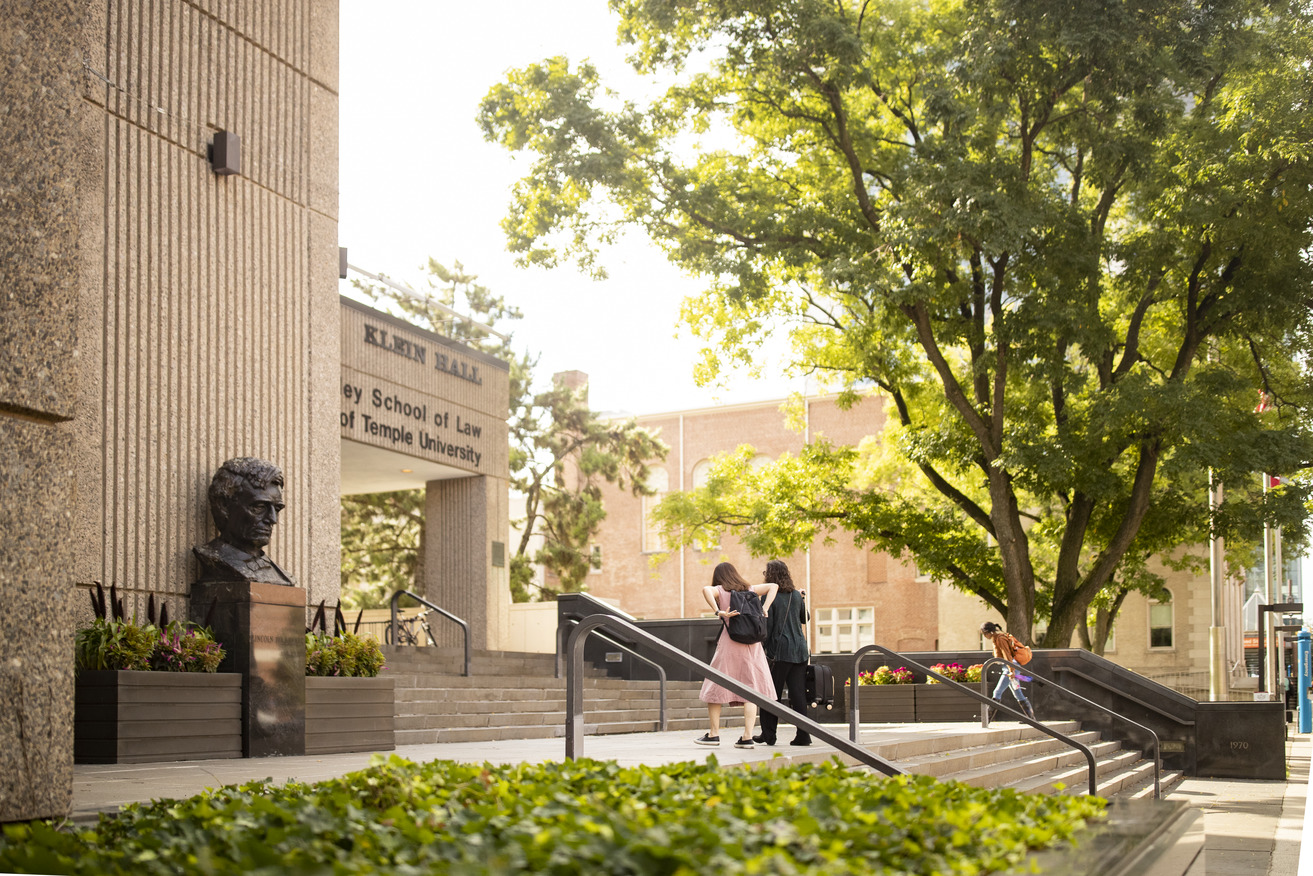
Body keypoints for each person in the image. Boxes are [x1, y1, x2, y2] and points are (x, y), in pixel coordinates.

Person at [696, 562, 778, 749]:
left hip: (730, 644)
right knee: (751, 689)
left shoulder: (721, 590)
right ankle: (747, 737)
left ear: (719, 577)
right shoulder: (750, 589)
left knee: (715, 685)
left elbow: (705, 590)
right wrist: (765, 607)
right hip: (753, 646)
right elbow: (774, 586)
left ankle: (714, 734)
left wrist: (718, 611)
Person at [194, 457, 296, 586]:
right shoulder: (214, 559)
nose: (272, 519)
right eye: (259, 507)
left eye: (276, 509)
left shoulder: (283, 577)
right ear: (224, 505)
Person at [754, 560, 812, 746]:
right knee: (798, 695)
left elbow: (767, 628)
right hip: (800, 651)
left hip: (779, 653)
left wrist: (763, 648)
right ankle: (804, 735)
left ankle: (768, 735)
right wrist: (801, 600)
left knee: (770, 694)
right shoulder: (796, 595)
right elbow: (805, 618)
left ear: (769, 575)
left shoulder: (769, 597)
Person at [981, 621, 1036, 720]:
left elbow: (1007, 655)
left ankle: (986, 720)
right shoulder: (996, 638)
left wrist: (1011, 671)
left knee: (997, 692)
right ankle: (1031, 718)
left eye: (984, 634)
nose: (984, 636)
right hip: (1009, 666)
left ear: (989, 632)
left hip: (1010, 667)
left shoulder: (1000, 638)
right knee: (1018, 693)